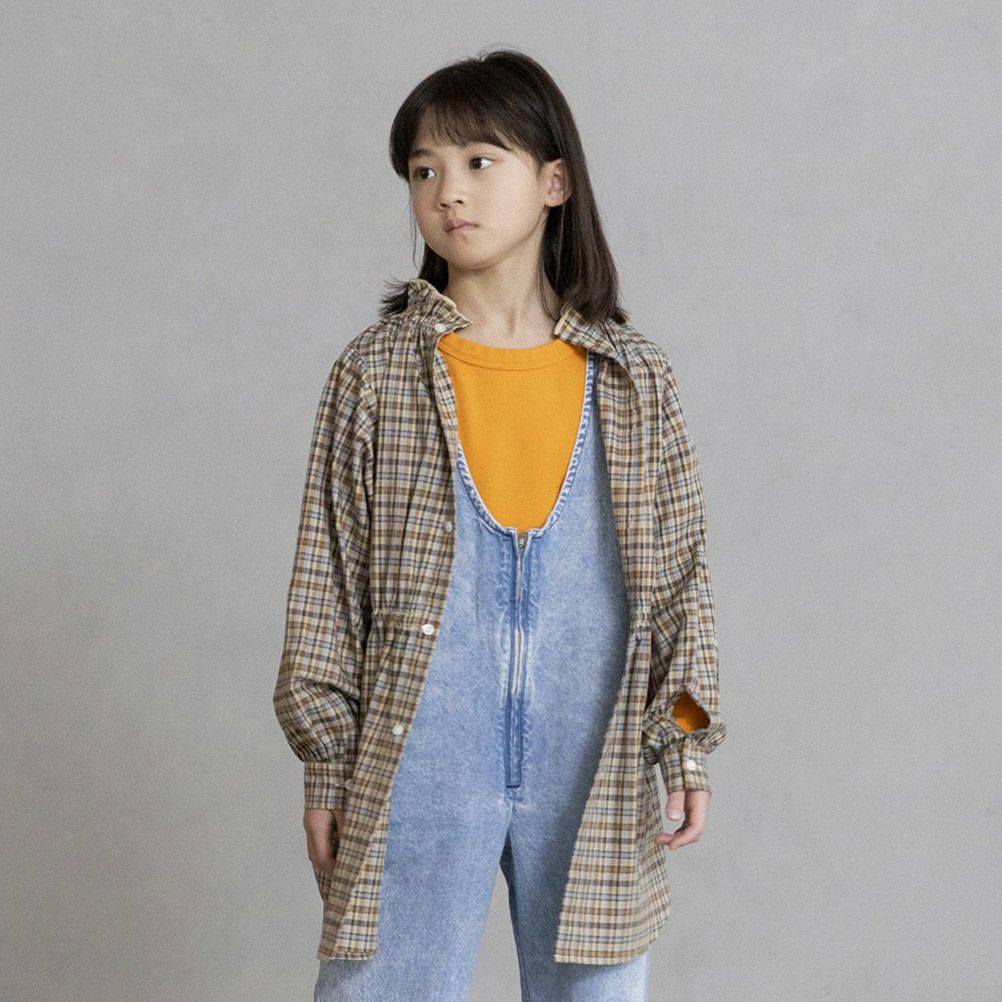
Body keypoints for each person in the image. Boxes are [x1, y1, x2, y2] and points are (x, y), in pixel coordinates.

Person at [273, 46, 727, 1002]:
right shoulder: (376, 375)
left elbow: (682, 594)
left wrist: (682, 743)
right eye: (423, 170)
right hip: (414, 760)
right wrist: (327, 769)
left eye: (480, 161)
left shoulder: (634, 381)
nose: (448, 191)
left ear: (554, 182)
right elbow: (326, 593)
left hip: (595, 763)